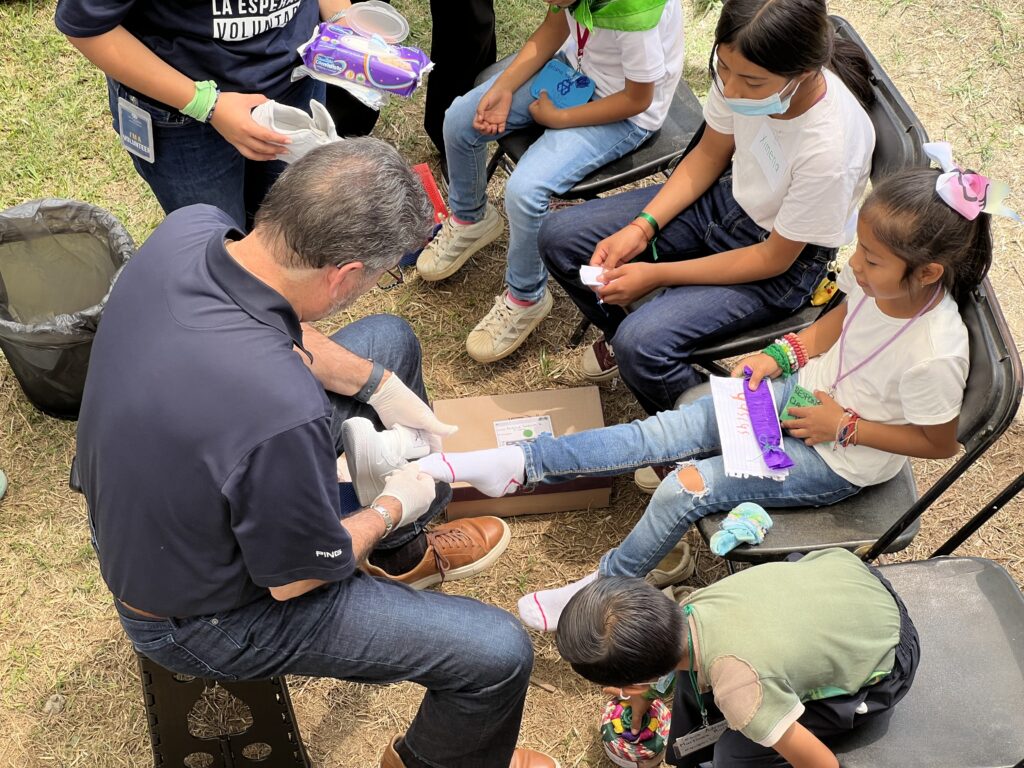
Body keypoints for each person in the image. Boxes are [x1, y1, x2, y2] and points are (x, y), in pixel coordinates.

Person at [344, 159, 997, 632]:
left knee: (688, 486)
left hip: (833, 456)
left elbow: (937, 443)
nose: (853, 265)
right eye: (859, 250)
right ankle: (501, 466)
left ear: (928, 272)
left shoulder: (937, 350)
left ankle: (608, 581)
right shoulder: (877, 282)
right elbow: (837, 321)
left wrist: (843, 426)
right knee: (654, 435)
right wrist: (784, 354)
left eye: (873, 261)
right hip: (798, 402)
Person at [74, 139, 558, 768]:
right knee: (496, 655)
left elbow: (286, 328)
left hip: (147, 501)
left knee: (389, 344)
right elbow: (294, 579)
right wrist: (388, 506)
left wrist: (379, 386)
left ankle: (402, 558)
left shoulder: (189, 231)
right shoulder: (280, 411)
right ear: (346, 274)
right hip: (198, 619)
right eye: (381, 273)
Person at [540, 0, 876, 414]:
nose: (731, 90)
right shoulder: (743, 65)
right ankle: (632, 334)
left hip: (782, 264)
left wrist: (655, 274)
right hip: (727, 201)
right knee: (560, 237)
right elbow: (707, 156)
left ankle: (704, 432)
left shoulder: (831, 151)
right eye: (724, 68)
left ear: (803, 75)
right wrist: (641, 228)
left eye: (752, 83)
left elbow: (772, 258)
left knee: (642, 345)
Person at [416, 0, 684, 363]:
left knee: (525, 190)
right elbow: (554, 29)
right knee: (460, 119)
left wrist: (562, 118)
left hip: (622, 109)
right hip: (575, 68)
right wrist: (505, 87)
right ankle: (470, 219)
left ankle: (526, 297)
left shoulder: (635, 14)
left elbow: (637, 99)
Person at [556, 549, 920, 768]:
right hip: (845, 582)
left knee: (736, 754)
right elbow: (672, 661)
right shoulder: (692, 607)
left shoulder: (742, 689)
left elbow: (820, 763)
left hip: (887, 657)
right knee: (690, 677)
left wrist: (761, 726)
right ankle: (688, 755)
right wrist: (644, 693)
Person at [54, 0, 352, 231]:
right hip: (184, 116)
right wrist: (205, 104)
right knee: (219, 243)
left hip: (296, 81)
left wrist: (343, 25)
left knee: (291, 218)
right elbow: (89, 28)